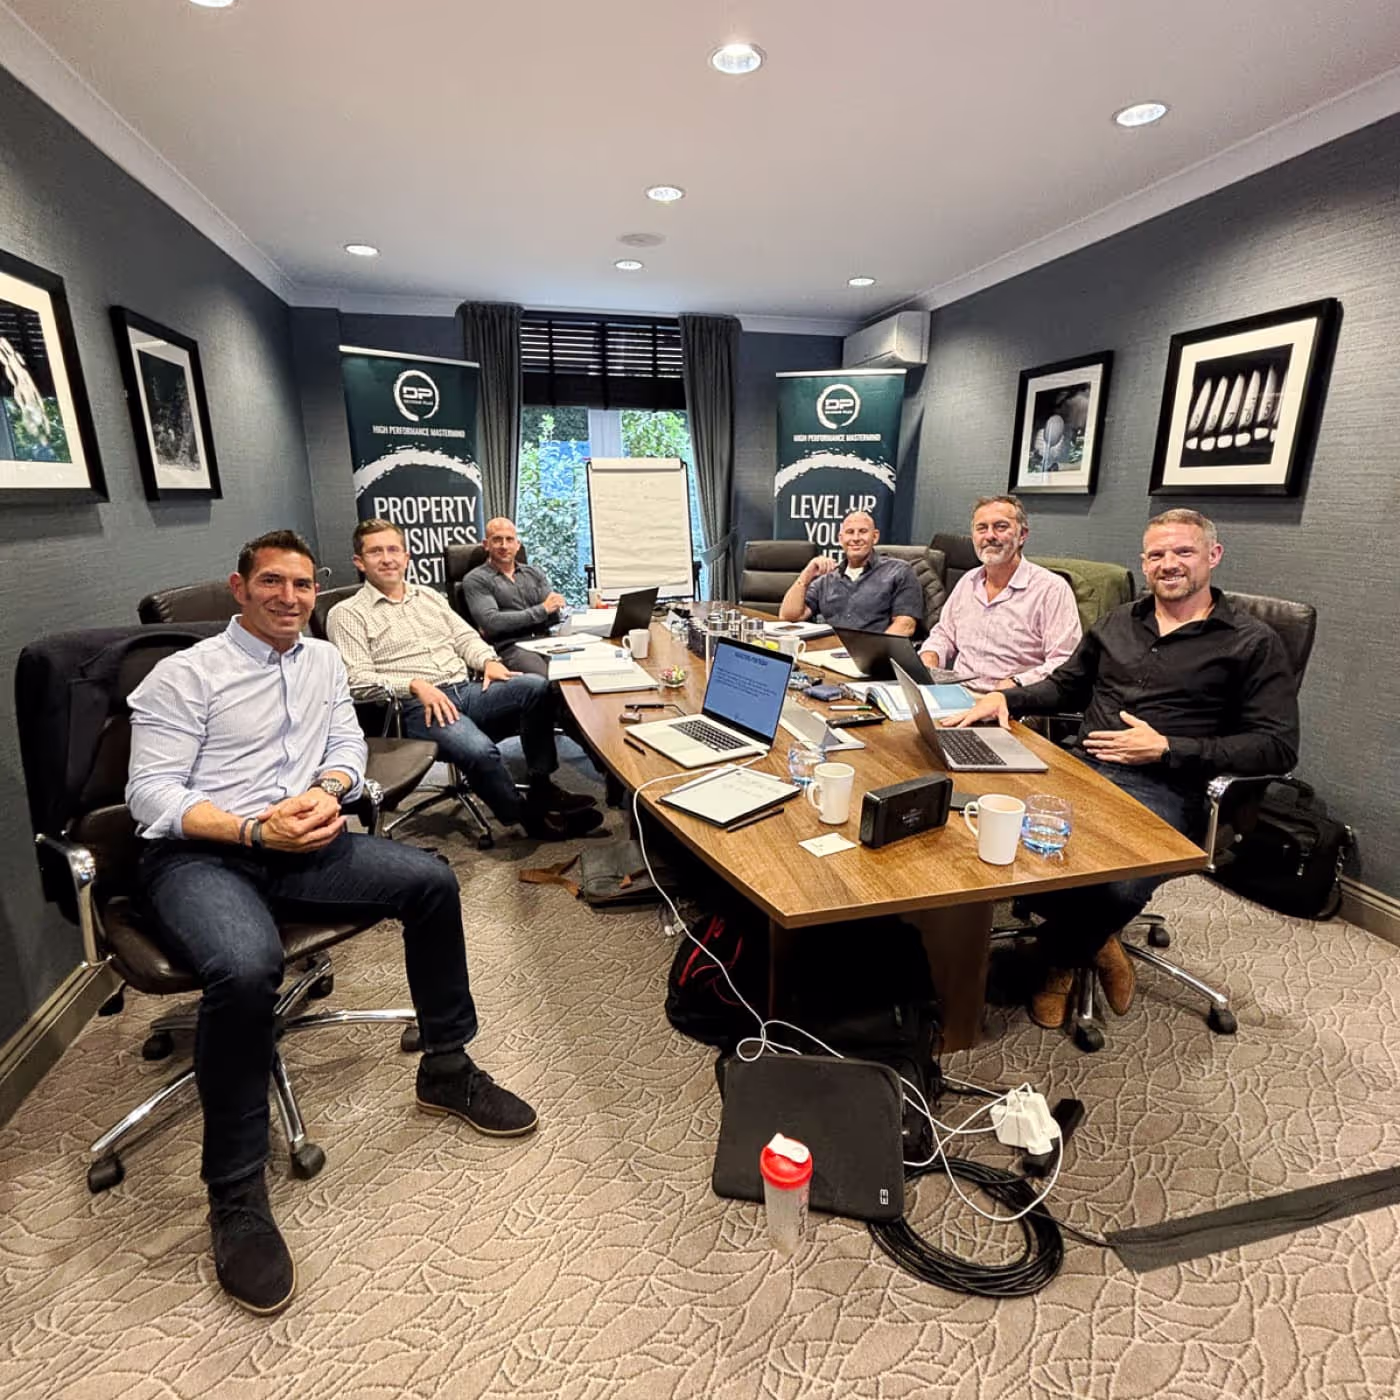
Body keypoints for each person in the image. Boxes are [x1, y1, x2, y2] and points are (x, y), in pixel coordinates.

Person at [126, 530, 538, 1316]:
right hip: (204, 854)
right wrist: (250, 831)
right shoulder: (184, 676)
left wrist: (332, 787)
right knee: (246, 968)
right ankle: (236, 1193)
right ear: (238, 588)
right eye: (273, 583)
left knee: (429, 880)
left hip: (303, 838)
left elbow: (348, 745)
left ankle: (446, 1069)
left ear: (318, 593)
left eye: (303, 586)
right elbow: (151, 796)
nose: (289, 598)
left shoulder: (318, 662)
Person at [949, 509, 1299, 1029]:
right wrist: (1005, 698)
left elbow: (1277, 746)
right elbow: (1067, 685)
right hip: (1080, 764)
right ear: (1144, 562)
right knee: (982, 830)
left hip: (1169, 784)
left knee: (1116, 885)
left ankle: (1056, 962)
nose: (1169, 564)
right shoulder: (1119, 621)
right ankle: (1099, 937)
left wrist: (1167, 748)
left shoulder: (1251, 642)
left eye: (1183, 552)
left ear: (1213, 556)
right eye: (1157, 555)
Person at [327, 519, 600, 841]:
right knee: (480, 750)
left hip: (465, 689)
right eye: (375, 552)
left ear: (406, 557)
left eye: (393, 550)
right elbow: (357, 680)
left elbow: (465, 637)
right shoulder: (346, 613)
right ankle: (527, 818)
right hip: (416, 707)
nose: (386, 558)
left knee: (535, 686)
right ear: (360, 561)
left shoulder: (428, 596)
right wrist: (413, 685)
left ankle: (541, 786)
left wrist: (488, 660)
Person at [919, 495, 1082, 691]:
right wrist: (930, 656)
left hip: (1016, 702)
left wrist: (1017, 683)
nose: (989, 536)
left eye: (1001, 527)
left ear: (1022, 535)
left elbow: (1064, 661)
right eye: (981, 528)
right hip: (959, 694)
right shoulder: (967, 582)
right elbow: (945, 633)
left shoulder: (1051, 589)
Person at [778, 510, 923, 636]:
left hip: (873, 658)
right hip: (828, 655)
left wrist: (874, 655)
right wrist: (807, 574)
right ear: (840, 539)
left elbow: (905, 626)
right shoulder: (827, 579)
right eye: (849, 532)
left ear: (875, 536)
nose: (855, 538)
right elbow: (789, 616)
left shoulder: (899, 571)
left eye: (863, 531)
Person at [460, 516, 568, 678]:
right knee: (549, 680)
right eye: (497, 540)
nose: (504, 546)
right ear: (486, 545)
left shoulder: (534, 573)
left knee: (580, 670)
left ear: (518, 545)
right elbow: (492, 623)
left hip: (547, 641)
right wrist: (542, 609)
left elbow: (553, 613)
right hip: (511, 647)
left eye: (509, 539)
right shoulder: (475, 579)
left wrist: (555, 608)